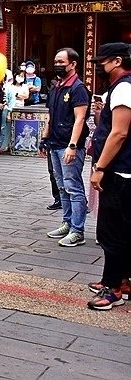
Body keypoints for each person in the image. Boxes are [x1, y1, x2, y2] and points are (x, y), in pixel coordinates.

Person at [86, 42, 131, 310]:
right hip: (122, 171)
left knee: (111, 232)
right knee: (123, 230)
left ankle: (112, 288)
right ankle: (121, 279)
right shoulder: (120, 87)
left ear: (116, 61)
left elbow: (119, 133)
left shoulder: (124, 87)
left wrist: (100, 168)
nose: (100, 67)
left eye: (102, 62)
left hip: (120, 172)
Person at [41, 48, 90, 247]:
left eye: (61, 61)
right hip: (55, 143)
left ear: (73, 64)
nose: (58, 65)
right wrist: (44, 139)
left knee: (73, 187)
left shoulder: (78, 88)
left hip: (70, 147)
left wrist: (73, 146)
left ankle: (78, 230)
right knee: (61, 187)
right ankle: (67, 222)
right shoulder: (55, 87)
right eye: (56, 61)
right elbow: (50, 116)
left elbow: (80, 119)